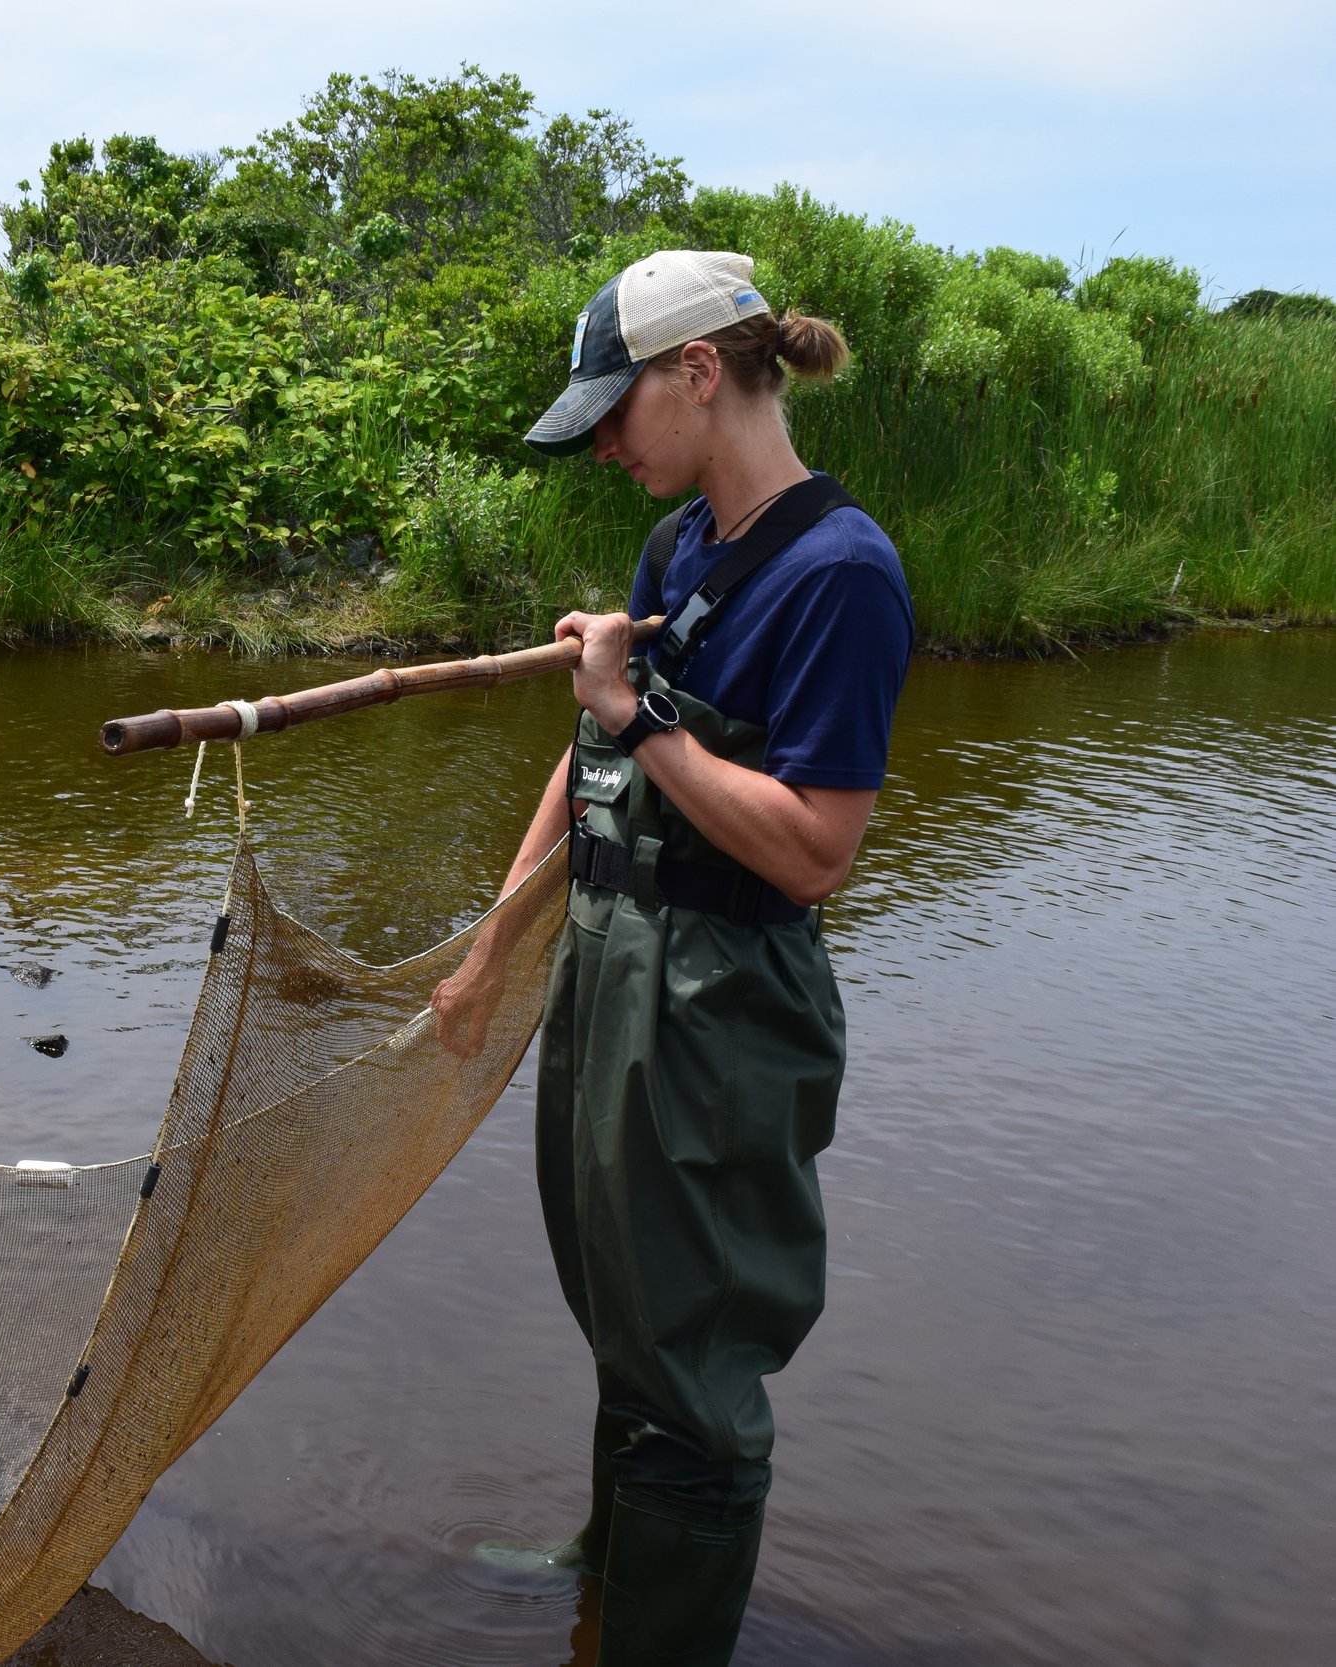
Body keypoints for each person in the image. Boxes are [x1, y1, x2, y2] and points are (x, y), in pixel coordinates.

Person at [432, 250, 913, 1665]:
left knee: (695, 1352)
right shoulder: (679, 544)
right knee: (620, 1287)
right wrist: (494, 939)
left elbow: (817, 847)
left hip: (720, 1000)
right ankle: (609, 1564)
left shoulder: (841, 573)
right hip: (609, 960)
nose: (601, 443)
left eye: (613, 411)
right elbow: (582, 754)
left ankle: (657, 1633)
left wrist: (643, 718)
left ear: (701, 371)